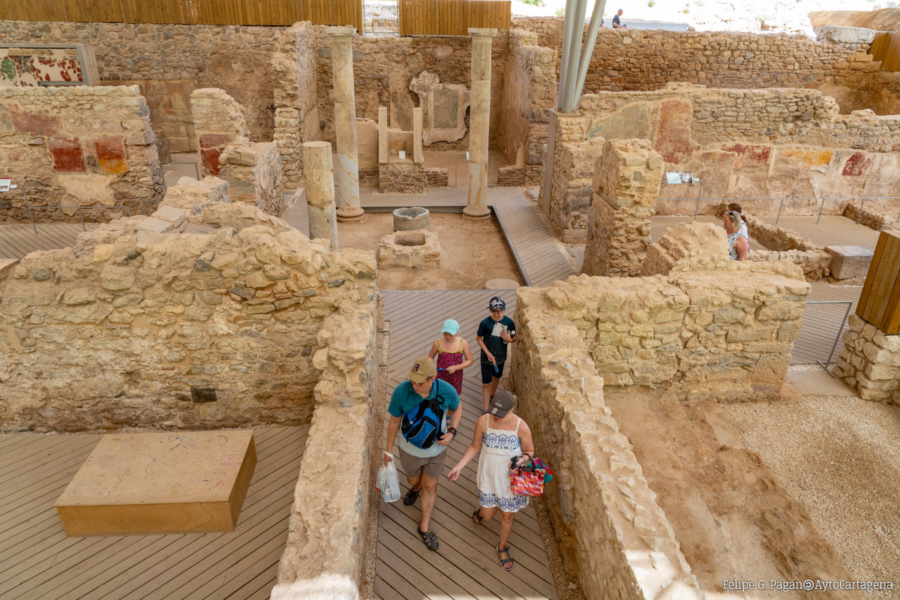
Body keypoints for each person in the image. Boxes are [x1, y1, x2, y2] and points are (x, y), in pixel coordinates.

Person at [448, 391, 535, 571]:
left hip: (510, 479)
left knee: (506, 515)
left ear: (511, 410)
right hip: (488, 474)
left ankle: (502, 547)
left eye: (500, 413)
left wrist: (520, 459)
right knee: (488, 515)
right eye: (493, 411)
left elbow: (530, 451)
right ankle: (482, 510)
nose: (495, 416)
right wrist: (459, 466)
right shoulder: (483, 421)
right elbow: (475, 446)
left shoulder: (521, 427)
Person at [384, 357, 462, 551]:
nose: (414, 386)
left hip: (436, 451)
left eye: (419, 383)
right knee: (413, 480)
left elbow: (457, 408)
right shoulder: (401, 392)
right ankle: (415, 488)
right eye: (412, 381)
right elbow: (394, 422)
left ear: (432, 379)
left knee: (430, 485)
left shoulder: (446, 390)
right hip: (409, 450)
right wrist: (388, 450)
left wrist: (452, 431)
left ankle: (424, 526)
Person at [476, 297, 516, 413]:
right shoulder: (485, 323)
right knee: (486, 384)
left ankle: (492, 395)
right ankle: (486, 410)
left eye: (502, 311)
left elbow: (514, 337)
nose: (500, 314)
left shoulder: (509, 322)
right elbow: (479, 338)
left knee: (496, 378)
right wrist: (487, 352)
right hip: (486, 358)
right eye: (496, 312)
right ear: (490, 310)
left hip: (500, 357)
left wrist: (509, 339)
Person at [427, 319, 474, 396]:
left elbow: (470, 360)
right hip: (440, 375)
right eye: (445, 333)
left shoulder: (463, 343)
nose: (447, 336)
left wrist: (456, 367)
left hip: (456, 376)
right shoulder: (437, 343)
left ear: (457, 333)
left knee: (454, 396)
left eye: (450, 334)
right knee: (440, 395)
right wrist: (432, 369)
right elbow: (430, 356)